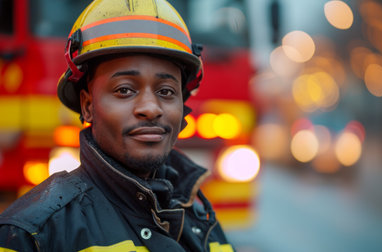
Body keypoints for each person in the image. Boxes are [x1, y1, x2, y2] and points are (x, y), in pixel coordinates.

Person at [0, 0, 234, 251]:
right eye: (124, 90)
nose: (151, 108)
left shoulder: (203, 222)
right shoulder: (31, 234)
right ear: (88, 105)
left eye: (166, 91)